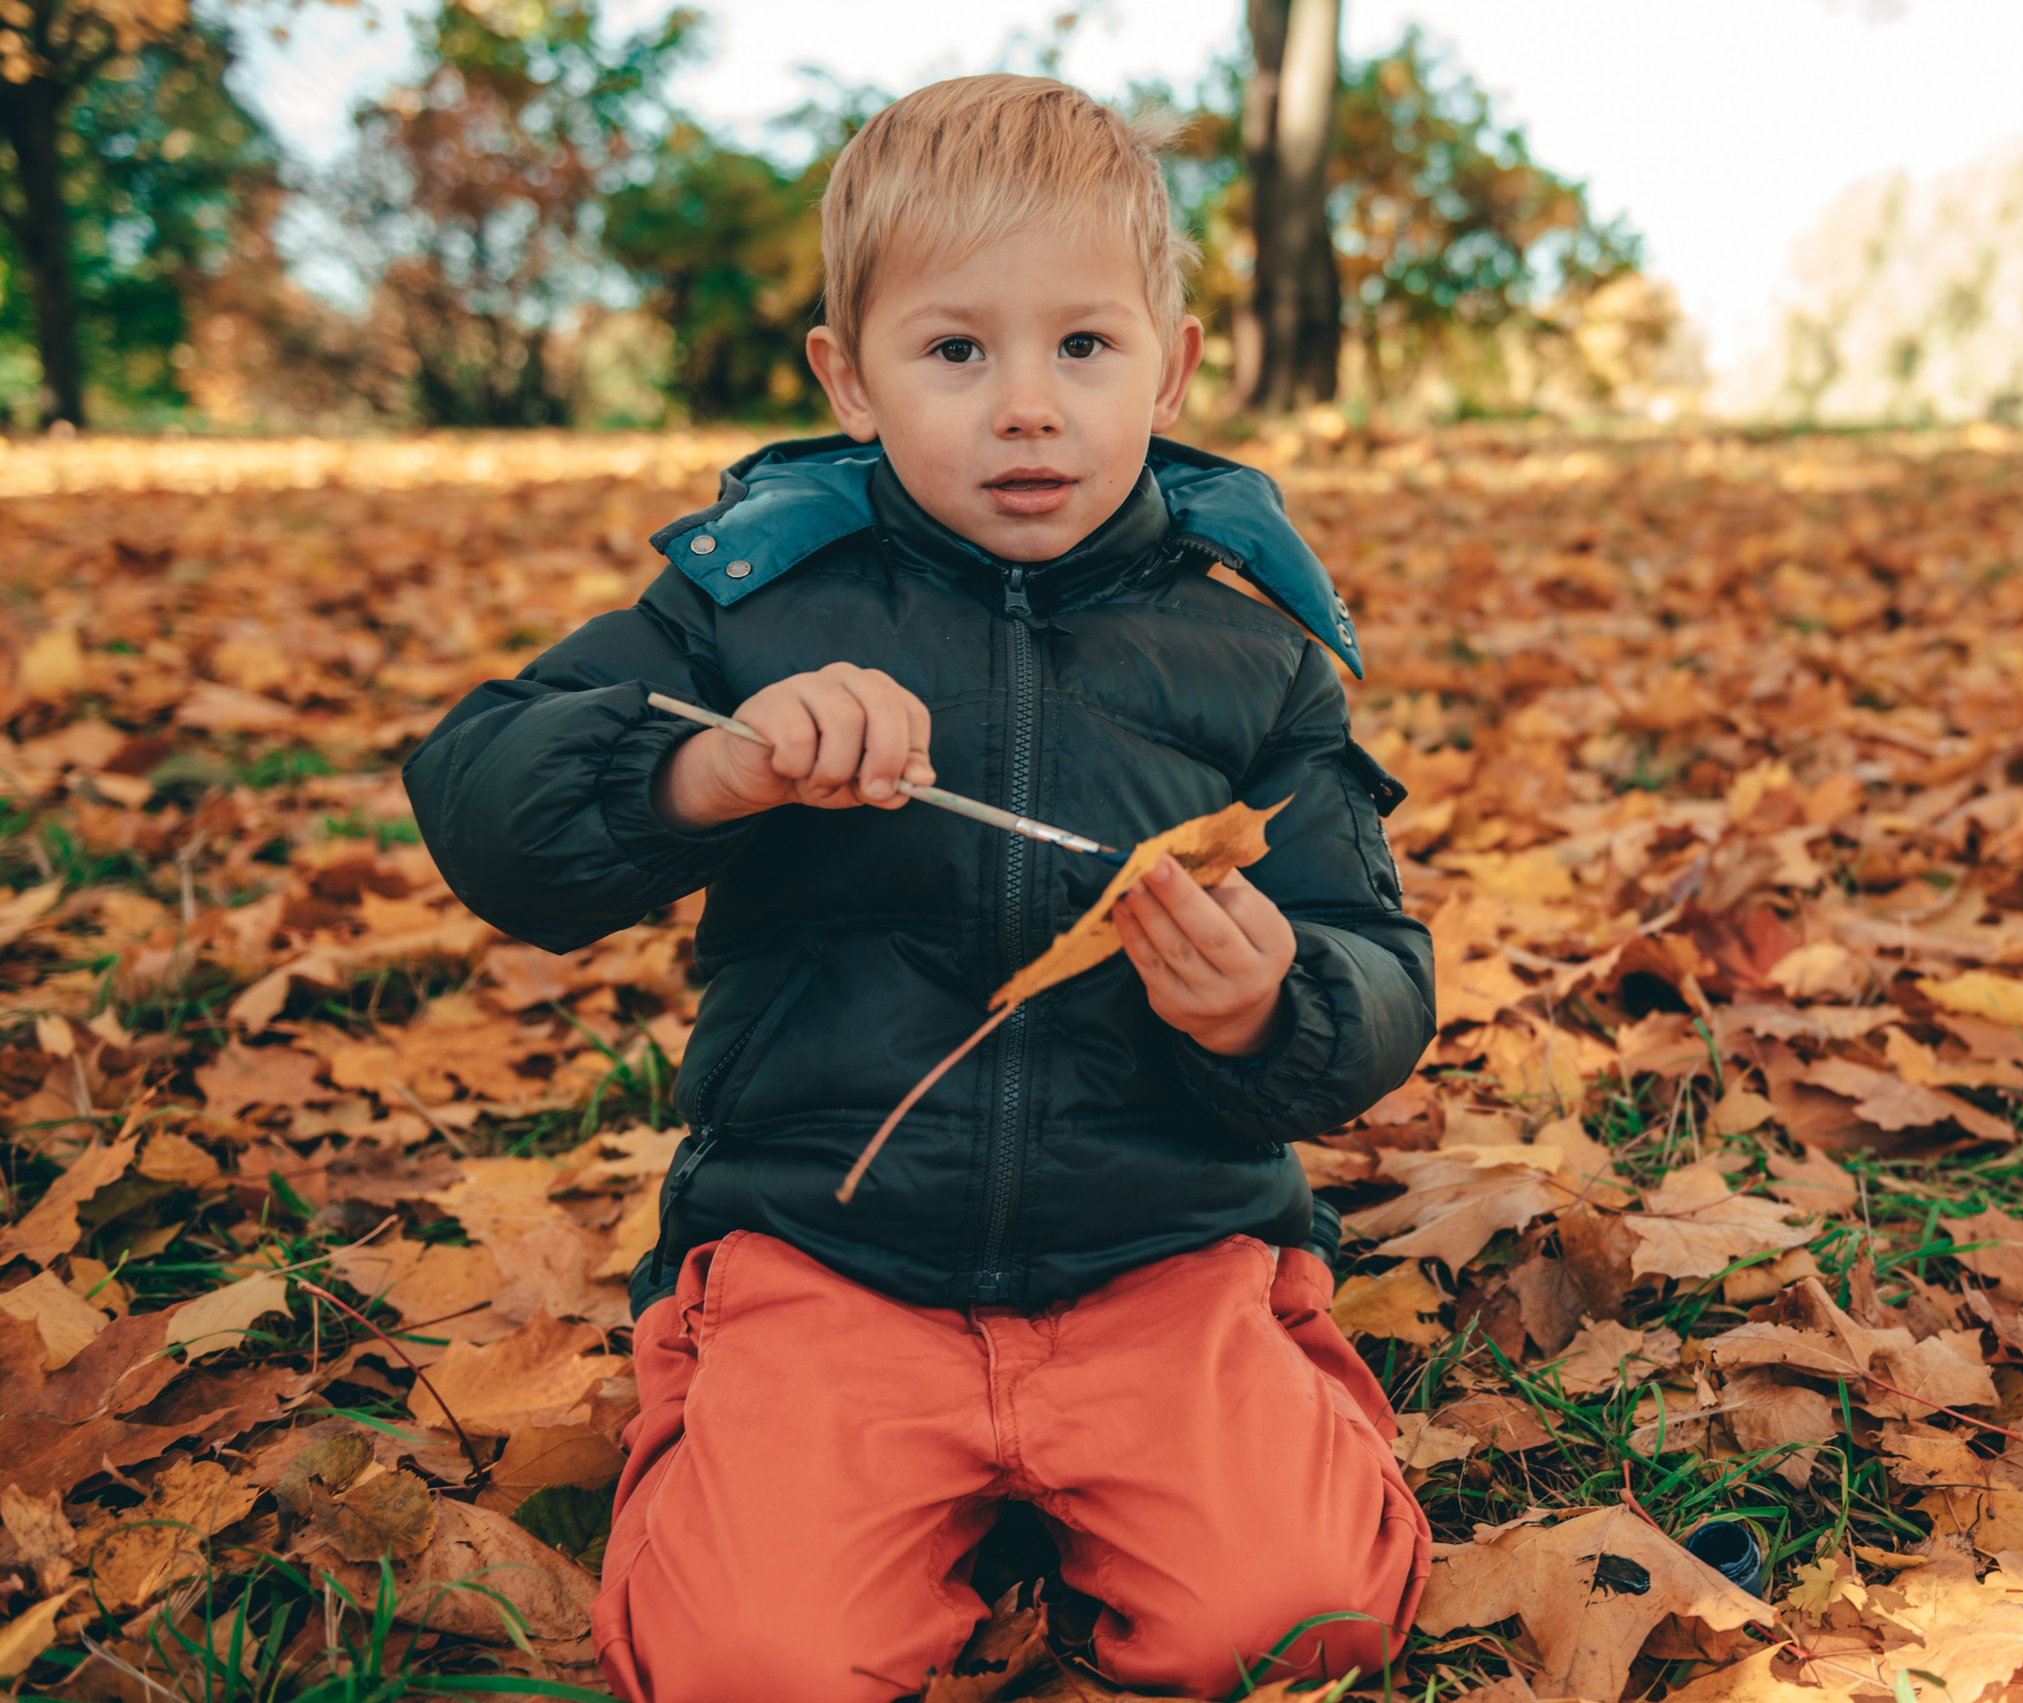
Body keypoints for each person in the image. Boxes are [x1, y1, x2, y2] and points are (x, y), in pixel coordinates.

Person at [403, 73, 1436, 1703]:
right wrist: (710, 770)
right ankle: (766, 1449)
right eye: (956, 350)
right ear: (851, 377)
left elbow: (1376, 965)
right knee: (756, 1666)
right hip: (830, 1259)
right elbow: (484, 797)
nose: (1026, 406)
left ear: (1170, 368)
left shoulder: (1256, 656)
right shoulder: (750, 611)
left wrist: (1272, 1004)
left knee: (1294, 1623)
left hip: (1161, 1257)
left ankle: (1208, 1428)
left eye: (1082, 347)